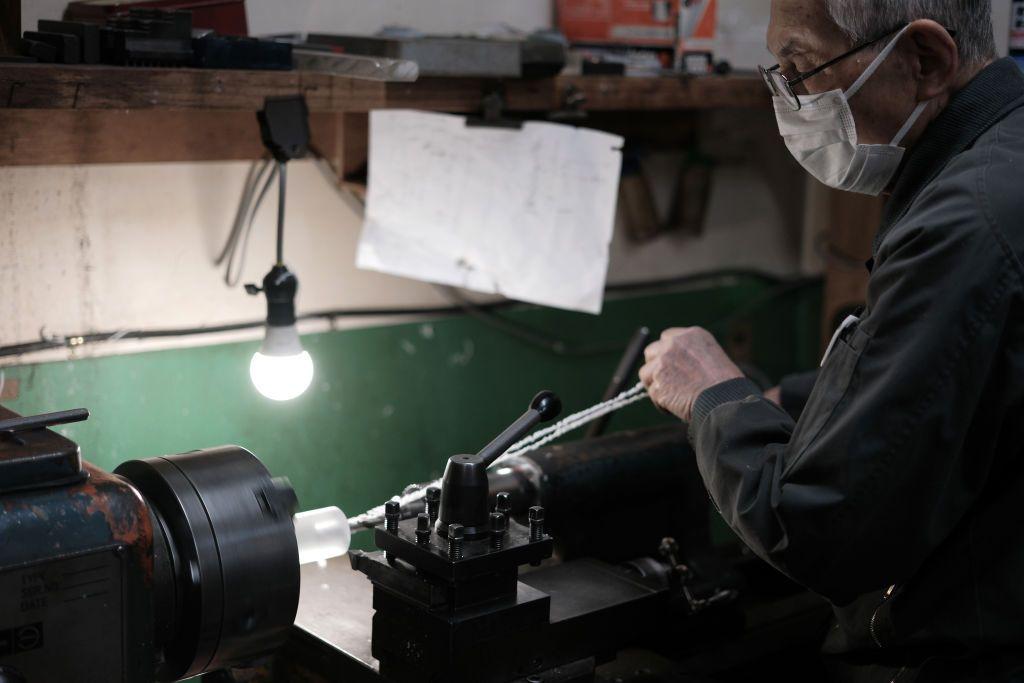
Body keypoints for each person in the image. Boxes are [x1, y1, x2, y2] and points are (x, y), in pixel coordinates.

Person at [639, 1, 1024, 681]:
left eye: (802, 68)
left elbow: (824, 529)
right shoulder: (1002, 151)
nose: (789, 102)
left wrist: (712, 395)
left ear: (924, 61)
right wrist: (804, 396)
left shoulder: (963, 224)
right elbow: (968, 364)